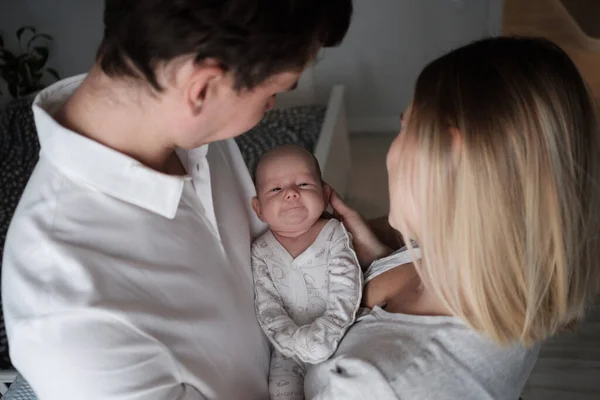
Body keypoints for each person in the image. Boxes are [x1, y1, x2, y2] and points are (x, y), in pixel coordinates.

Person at [1, 1, 358, 399]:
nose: (270, 107)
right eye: (273, 93)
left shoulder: (194, 132)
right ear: (201, 89)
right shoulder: (69, 315)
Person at [307, 36, 600, 399]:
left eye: (405, 127)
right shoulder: (504, 271)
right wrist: (378, 257)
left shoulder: (383, 386)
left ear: (451, 156)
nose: (392, 149)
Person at [250, 145, 362, 400]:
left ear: (324, 194)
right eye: (276, 189)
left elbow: (346, 288)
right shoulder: (261, 250)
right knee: (280, 390)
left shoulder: (333, 233)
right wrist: (289, 339)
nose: (290, 193)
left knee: (343, 386)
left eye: (303, 184)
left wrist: (328, 330)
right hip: (289, 347)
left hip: (340, 334)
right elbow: (268, 305)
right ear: (258, 209)